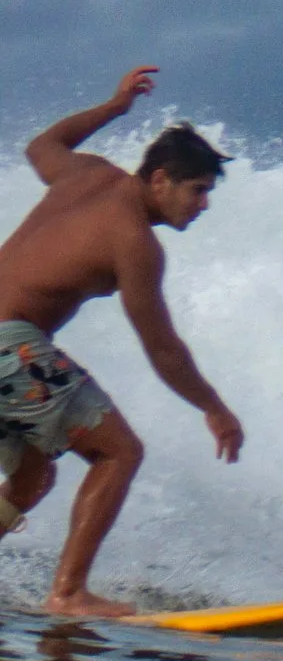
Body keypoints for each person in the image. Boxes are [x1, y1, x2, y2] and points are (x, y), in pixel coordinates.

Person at [0, 67, 245, 616]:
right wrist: (214, 408)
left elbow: (42, 145)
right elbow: (163, 350)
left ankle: (67, 592)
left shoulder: (84, 175)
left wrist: (114, 107)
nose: (203, 205)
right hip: (6, 345)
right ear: (159, 180)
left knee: (33, 476)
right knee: (119, 452)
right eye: (197, 190)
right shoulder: (134, 241)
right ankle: (68, 595)